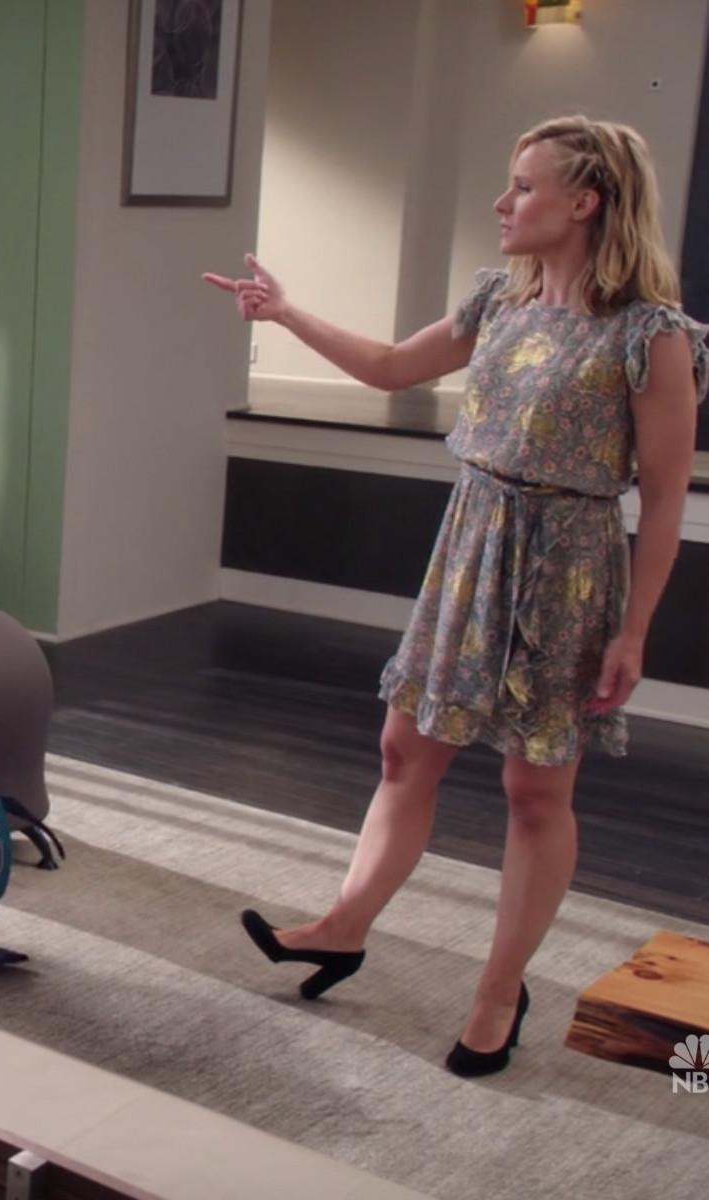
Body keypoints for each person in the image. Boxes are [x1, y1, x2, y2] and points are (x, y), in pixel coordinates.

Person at [205, 115, 704, 1077]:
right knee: (405, 749)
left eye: (523, 186)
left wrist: (634, 631)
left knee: (534, 791)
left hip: (567, 571)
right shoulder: (498, 300)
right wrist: (284, 314)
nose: (502, 202)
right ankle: (344, 927)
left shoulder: (652, 337)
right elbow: (392, 366)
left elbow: (665, 502)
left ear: (585, 202)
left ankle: (498, 993)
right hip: (471, 547)